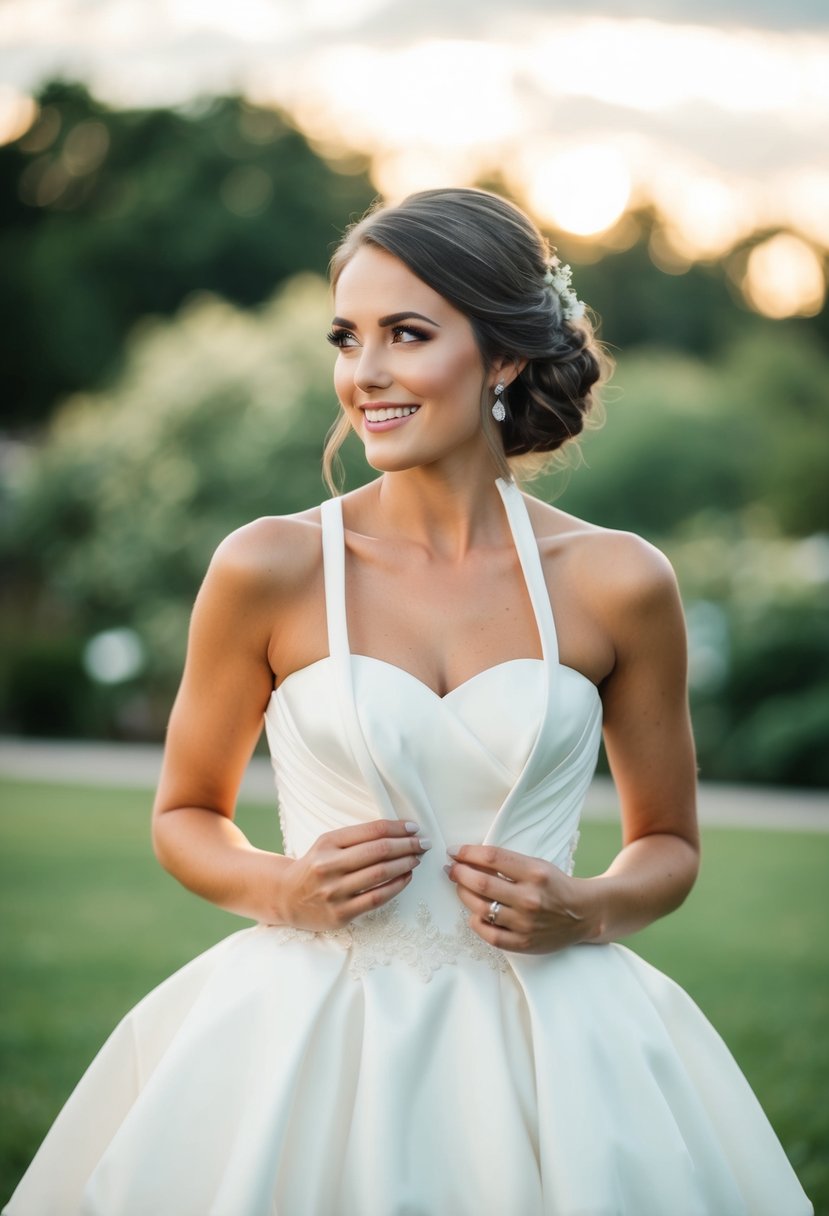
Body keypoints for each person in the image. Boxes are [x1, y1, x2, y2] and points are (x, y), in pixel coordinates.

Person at [5, 187, 812, 1216]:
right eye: (347, 338)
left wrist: (586, 907)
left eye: (406, 334)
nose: (365, 373)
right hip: (309, 1020)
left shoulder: (618, 581)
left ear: (505, 356)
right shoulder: (270, 565)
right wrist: (279, 887)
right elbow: (182, 816)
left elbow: (670, 848)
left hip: (558, 1041)